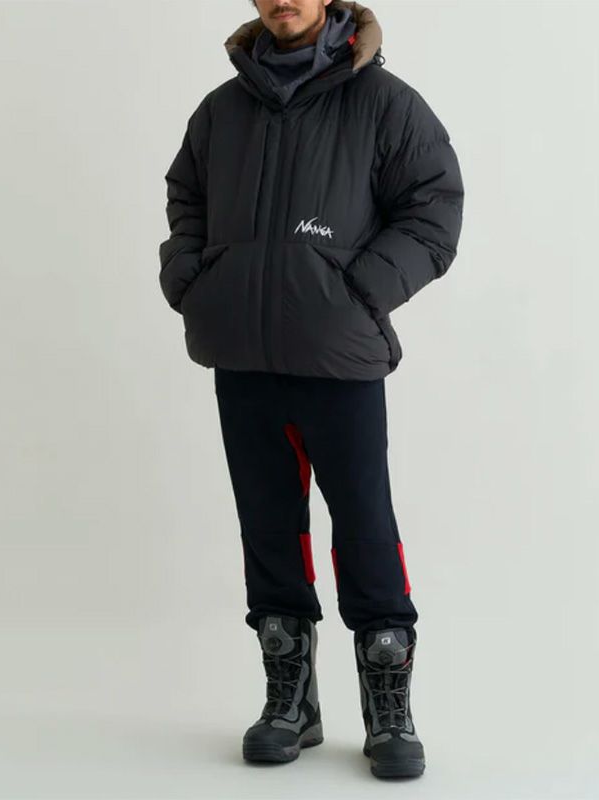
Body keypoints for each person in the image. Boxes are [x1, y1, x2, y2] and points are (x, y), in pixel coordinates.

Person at [158, 0, 464, 779]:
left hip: (339, 358)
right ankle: (290, 701)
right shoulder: (222, 111)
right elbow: (187, 199)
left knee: (364, 522)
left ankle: (388, 705)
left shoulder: (383, 104)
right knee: (267, 525)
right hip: (242, 356)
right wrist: (194, 278)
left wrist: (356, 292)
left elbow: (433, 208)